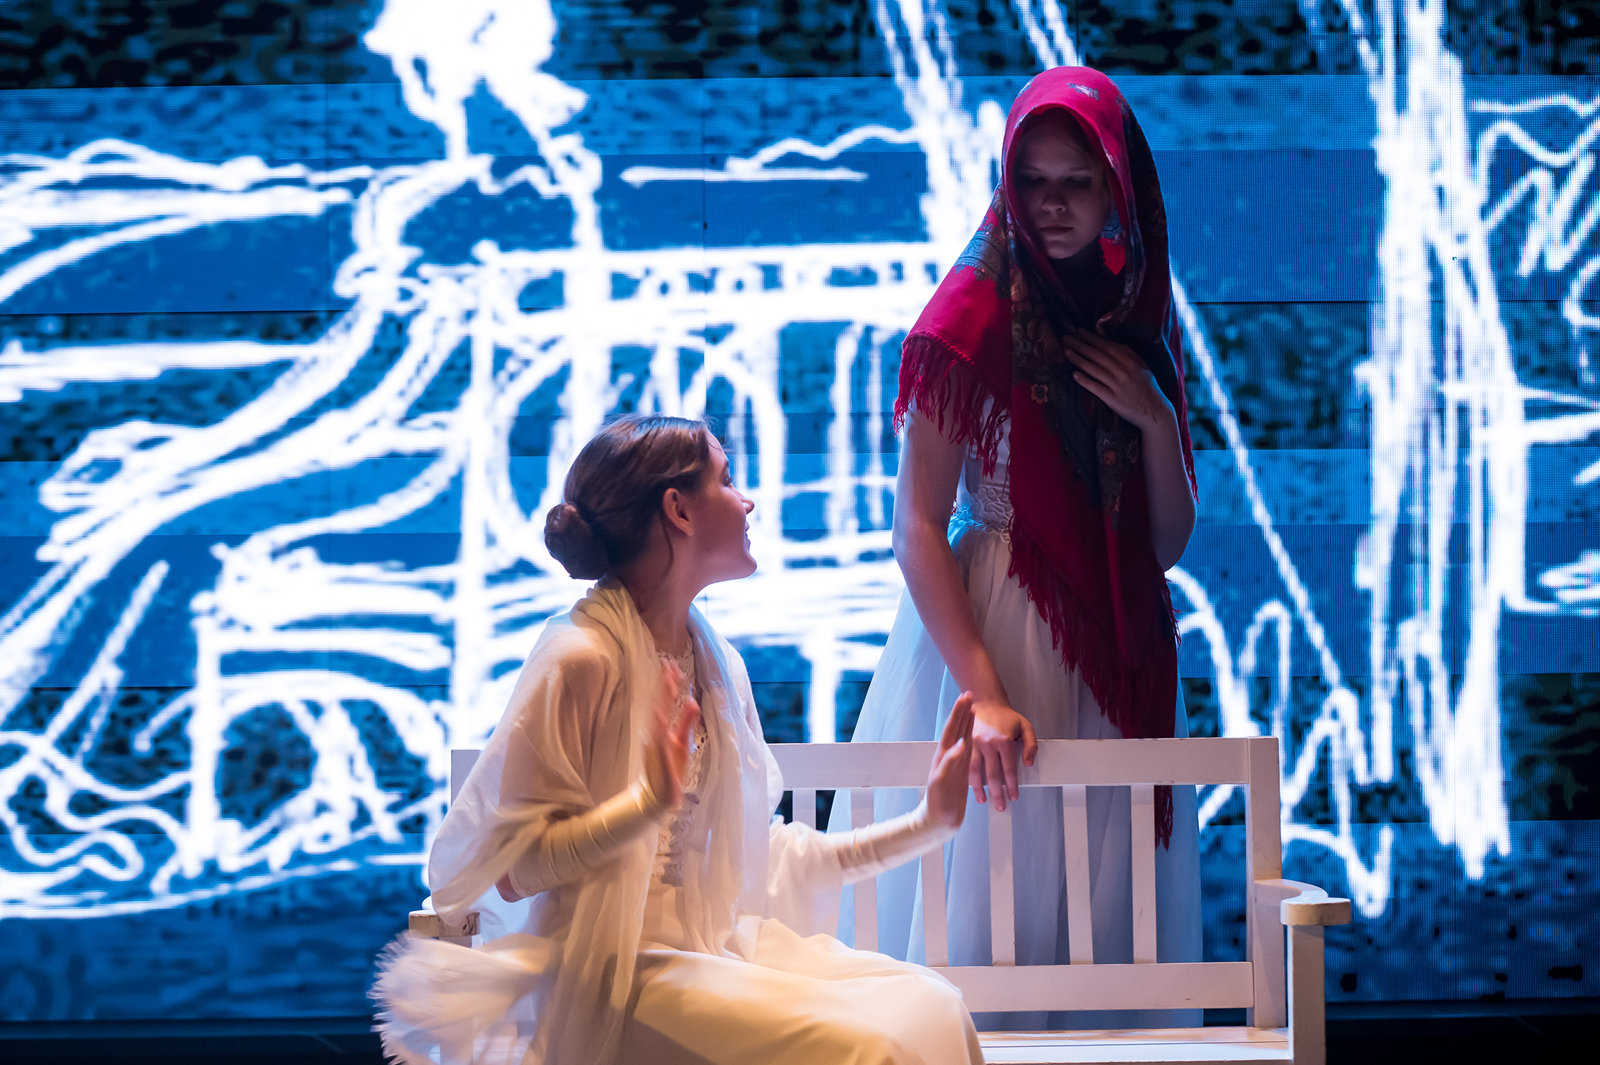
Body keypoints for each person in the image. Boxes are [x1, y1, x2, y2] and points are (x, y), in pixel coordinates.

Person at [373, 414, 986, 1065]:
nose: (747, 501)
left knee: (932, 1004)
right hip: (620, 972)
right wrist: (643, 805)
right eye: (727, 479)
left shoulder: (715, 661)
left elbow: (768, 855)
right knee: (871, 1046)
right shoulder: (579, 656)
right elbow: (514, 874)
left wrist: (927, 824)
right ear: (679, 510)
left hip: (712, 946)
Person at [834, 66, 1203, 1029]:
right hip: (998, 629)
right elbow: (917, 524)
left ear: (1118, 186)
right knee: (990, 899)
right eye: (1030, 181)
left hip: (1117, 646)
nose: (1051, 205)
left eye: (1077, 182)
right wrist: (985, 691)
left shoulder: (1135, 315)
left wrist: (1156, 420)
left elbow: (1164, 545)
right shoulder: (967, 317)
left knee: (1102, 908)